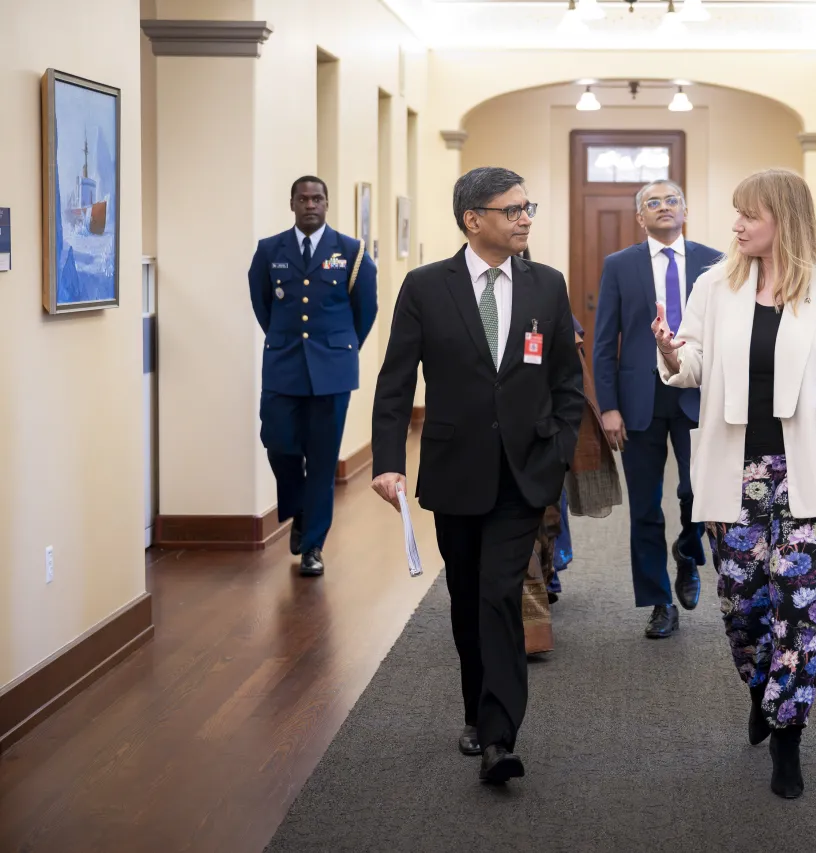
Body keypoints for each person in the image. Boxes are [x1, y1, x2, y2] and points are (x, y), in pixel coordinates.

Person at [653, 169, 816, 799]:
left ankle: (789, 734)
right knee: (742, 606)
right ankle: (761, 688)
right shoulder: (717, 284)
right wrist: (673, 356)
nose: (734, 226)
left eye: (747, 215)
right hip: (735, 473)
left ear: (783, 218)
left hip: (811, 473)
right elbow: (693, 362)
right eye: (735, 214)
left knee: (799, 607)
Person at [369, 167, 584, 785]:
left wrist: (561, 447)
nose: (525, 219)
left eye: (528, 207)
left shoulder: (547, 285)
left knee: (498, 594)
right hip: (454, 471)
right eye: (513, 209)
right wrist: (387, 461)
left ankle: (498, 737)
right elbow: (395, 382)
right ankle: (473, 709)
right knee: (467, 599)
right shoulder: (424, 287)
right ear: (473, 220)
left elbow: (566, 380)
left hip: (525, 474)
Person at [592, 180, 721, 639]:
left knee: (696, 492)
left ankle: (688, 551)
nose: (663, 207)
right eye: (653, 203)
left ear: (685, 210)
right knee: (645, 507)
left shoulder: (716, 262)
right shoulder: (620, 265)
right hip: (639, 401)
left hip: (698, 396)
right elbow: (605, 341)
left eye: (672, 200)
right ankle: (659, 601)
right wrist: (608, 407)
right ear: (640, 217)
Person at [248, 175, 377, 576]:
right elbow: (262, 302)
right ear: (292, 203)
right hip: (284, 366)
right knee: (278, 442)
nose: (310, 204)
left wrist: (341, 348)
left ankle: (313, 546)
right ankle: (300, 508)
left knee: (322, 459)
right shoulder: (270, 251)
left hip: (333, 372)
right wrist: (287, 341)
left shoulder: (351, 253)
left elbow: (366, 309)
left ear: (327, 204)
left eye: (317, 198)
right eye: (303, 198)